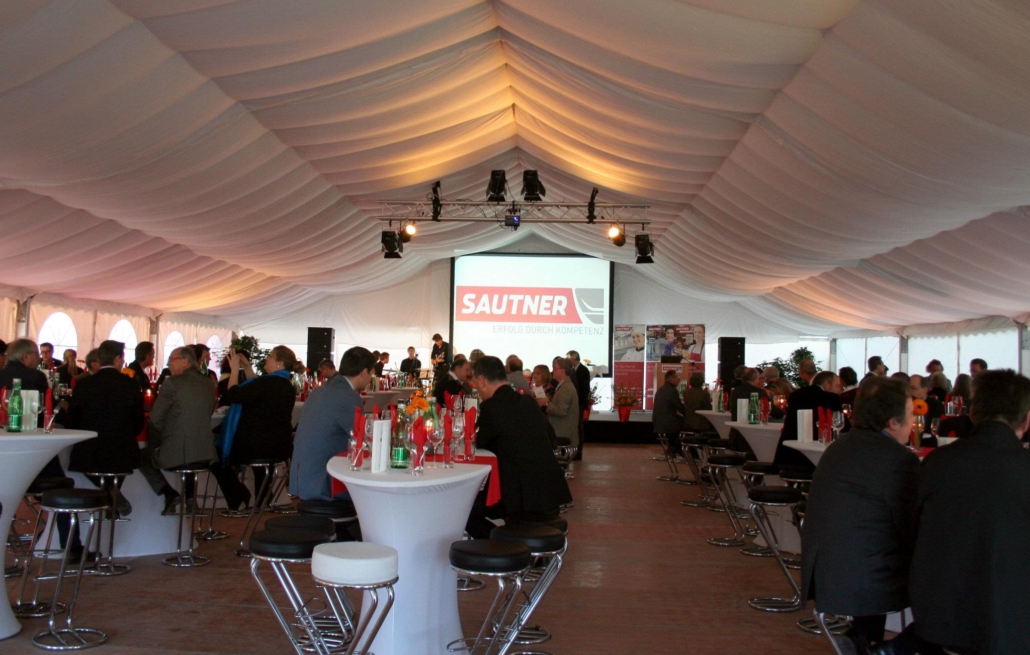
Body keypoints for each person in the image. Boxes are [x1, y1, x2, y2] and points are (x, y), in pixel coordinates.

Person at [910, 369, 1030, 653]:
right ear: (1027, 420)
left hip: (940, 617)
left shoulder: (937, 462)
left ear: (973, 412)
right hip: (1012, 623)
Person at [801, 377, 920, 654]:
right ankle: (894, 649)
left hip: (826, 570)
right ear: (893, 422)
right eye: (911, 414)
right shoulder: (898, 459)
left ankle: (861, 638)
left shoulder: (840, 446)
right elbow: (910, 526)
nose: (914, 421)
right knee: (946, 580)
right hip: (862, 578)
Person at [466, 356, 572, 538]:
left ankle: (502, 544)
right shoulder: (528, 402)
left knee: (463, 508)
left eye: (475, 383)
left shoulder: (491, 407)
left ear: (482, 381)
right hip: (550, 492)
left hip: (520, 498)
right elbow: (551, 438)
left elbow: (480, 446)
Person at [4, 340, 85, 558]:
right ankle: (71, 546)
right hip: (32, 451)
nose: (39, 357)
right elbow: (43, 414)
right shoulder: (35, 377)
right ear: (26, 356)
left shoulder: (2, 375)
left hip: (6, 459)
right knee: (62, 488)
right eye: (35, 354)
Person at [212, 345, 298, 511]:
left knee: (214, 454)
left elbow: (234, 395)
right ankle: (263, 497)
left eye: (270, 356)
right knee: (261, 461)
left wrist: (235, 370)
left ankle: (238, 494)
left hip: (255, 445)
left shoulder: (266, 383)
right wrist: (247, 367)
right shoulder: (286, 384)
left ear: (280, 363)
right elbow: (256, 387)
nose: (267, 358)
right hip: (279, 445)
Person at [66, 340, 146, 517]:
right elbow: (138, 421)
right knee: (118, 467)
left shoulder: (84, 384)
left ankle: (109, 495)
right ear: (117, 358)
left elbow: (73, 421)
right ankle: (111, 494)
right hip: (122, 450)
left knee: (86, 463)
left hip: (89, 450)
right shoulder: (130, 384)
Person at [291, 347, 375, 502]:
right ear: (364, 372)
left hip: (302, 479)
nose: (371, 378)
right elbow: (366, 441)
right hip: (324, 485)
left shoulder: (319, 391)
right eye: (371, 373)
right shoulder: (348, 397)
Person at [147, 346, 218, 514]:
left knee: (142, 458)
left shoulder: (172, 383)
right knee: (188, 452)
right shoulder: (209, 383)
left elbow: (155, 419)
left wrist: (155, 446)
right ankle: (191, 498)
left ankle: (169, 493)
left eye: (172, 360)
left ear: (185, 361)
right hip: (205, 452)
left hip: (179, 451)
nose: (168, 364)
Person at [774, 370, 844, 472]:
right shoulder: (832, 398)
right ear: (826, 384)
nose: (840, 390)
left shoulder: (796, 394)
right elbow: (843, 425)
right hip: (814, 458)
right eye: (837, 386)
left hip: (787, 453)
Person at [539, 356, 579, 451]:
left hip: (562, 432)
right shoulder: (562, 386)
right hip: (559, 430)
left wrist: (547, 403)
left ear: (562, 370)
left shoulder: (567, 388)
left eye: (555, 368)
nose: (552, 371)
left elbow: (561, 411)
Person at [652, 369, 684, 456]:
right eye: (677, 377)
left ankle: (672, 449)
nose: (679, 379)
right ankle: (678, 450)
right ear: (671, 379)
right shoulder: (672, 391)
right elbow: (680, 407)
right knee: (686, 424)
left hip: (658, 423)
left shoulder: (660, 390)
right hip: (668, 424)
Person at [908, 374, 944, 442]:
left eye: (913, 388)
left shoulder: (936, 406)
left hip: (927, 441)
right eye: (908, 388)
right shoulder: (905, 405)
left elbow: (933, 429)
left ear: (925, 390)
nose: (910, 391)